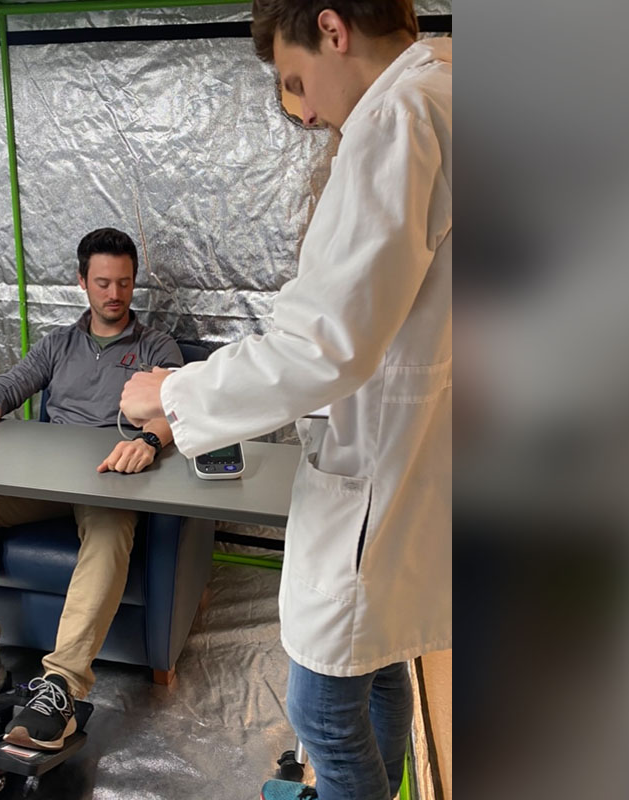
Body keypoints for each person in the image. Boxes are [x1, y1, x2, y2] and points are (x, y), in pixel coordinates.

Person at [119, 3, 451, 799]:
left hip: (375, 464)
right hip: (398, 448)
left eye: (296, 80)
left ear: (333, 28)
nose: (302, 110)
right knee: (372, 665)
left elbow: (326, 343)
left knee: (323, 707)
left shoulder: (397, 115)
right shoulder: (443, 88)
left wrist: (177, 390)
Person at [0, 227, 183, 750]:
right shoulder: (58, 344)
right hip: (46, 484)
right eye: (103, 282)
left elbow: (180, 406)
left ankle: (61, 685)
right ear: (81, 281)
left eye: (124, 283)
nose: (114, 294)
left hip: (111, 484)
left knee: (110, 532)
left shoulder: (156, 345)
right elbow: (5, 388)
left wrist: (150, 439)